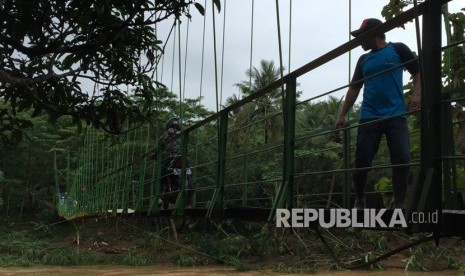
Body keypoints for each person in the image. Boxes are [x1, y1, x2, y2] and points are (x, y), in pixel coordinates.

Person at [335, 18, 421, 210]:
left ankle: (399, 203)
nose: (359, 41)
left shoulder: (398, 49)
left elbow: (417, 72)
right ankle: (359, 198)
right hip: (369, 115)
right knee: (362, 160)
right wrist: (341, 115)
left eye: (361, 36)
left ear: (374, 33)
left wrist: (416, 95)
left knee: (402, 159)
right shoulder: (363, 60)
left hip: (396, 115)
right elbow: (354, 89)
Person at [158, 117, 193, 208]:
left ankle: (160, 197)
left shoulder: (164, 136)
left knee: (160, 177)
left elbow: (159, 150)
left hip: (169, 160)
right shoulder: (183, 135)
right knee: (188, 177)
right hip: (183, 160)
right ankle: (188, 203)